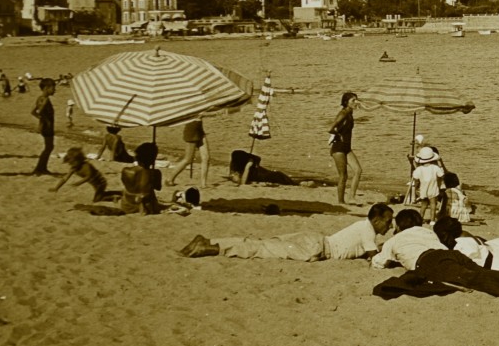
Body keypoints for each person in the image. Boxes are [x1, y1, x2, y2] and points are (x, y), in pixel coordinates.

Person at [372, 209, 499, 297]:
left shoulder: (394, 240)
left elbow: (378, 262)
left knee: (469, 277)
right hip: (448, 254)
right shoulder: (427, 232)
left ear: (400, 227)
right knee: (478, 270)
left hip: (428, 260)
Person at [180, 202, 395, 259]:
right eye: (387, 221)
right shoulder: (368, 231)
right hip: (316, 248)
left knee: (263, 242)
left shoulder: (363, 227)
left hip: (316, 240)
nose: (389, 226)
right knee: (262, 249)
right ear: (376, 220)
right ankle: (212, 248)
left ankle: (212, 241)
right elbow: (374, 259)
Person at [328, 91, 362, 205]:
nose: (356, 102)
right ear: (346, 102)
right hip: (338, 148)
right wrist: (339, 136)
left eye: (356, 100)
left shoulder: (350, 113)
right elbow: (331, 128)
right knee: (343, 176)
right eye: (353, 100)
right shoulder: (343, 113)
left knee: (358, 170)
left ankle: (352, 197)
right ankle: (341, 201)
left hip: (347, 148)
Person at [120, 142, 163, 215]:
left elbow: (125, 183)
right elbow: (158, 188)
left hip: (128, 205)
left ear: (137, 157)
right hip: (148, 206)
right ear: (153, 160)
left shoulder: (126, 171)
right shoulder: (156, 173)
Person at [168, 115, 210, 189]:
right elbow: (202, 113)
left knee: (206, 158)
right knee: (188, 159)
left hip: (199, 129)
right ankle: (170, 179)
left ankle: (203, 184)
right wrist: (217, 113)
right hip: (192, 129)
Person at [412, 143, 445, 222]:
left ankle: (420, 219)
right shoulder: (435, 167)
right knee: (433, 205)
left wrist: (416, 188)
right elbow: (442, 175)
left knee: (423, 205)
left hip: (423, 189)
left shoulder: (419, 169)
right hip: (433, 188)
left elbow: (415, 179)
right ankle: (432, 220)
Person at [31, 77, 57, 175]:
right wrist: (46, 121)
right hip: (47, 127)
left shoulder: (40, 98)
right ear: (46, 88)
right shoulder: (45, 100)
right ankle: (40, 168)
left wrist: (41, 119)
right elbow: (39, 111)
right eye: (53, 88)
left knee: (48, 147)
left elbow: (33, 112)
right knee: (49, 147)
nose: (55, 90)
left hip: (44, 126)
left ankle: (41, 168)